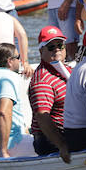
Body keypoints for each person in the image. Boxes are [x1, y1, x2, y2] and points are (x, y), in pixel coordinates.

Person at [29, 26, 71, 162]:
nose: (57, 49)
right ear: (41, 51)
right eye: (51, 47)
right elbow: (42, 116)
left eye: (60, 45)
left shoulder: (65, 69)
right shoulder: (42, 80)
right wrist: (62, 145)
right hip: (50, 141)